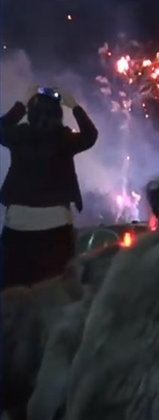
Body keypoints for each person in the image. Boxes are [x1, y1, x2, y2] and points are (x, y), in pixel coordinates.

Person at [0, 87, 98, 289]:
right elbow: (90, 135)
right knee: (55, 293)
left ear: (30, 113)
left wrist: (21, 104)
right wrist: (74, 105)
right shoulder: (64, 138)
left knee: (13, 294)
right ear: (58, 114)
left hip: (18, 225)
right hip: (57, 228)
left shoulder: (19, 135)